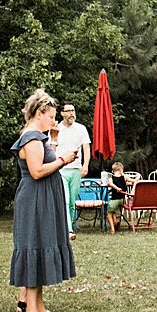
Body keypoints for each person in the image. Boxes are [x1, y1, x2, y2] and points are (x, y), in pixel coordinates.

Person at [10, 89, 78, 312]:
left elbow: (45, 161)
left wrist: (55, 141)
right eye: (51, 116)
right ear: (40, 113)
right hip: (34, 200)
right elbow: (37, 171)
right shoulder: (31, 138)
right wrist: (63, 160)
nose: (53, 121)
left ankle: (39, 308)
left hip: (43, 198)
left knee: (40, 247)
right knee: (33, 249)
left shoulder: (39, 137)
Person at [53, 102, 90, 239]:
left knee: (72, 201)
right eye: (68, 111)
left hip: (76, 169)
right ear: (62, 113)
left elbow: (86, 148)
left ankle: (70, 225)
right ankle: (68, 231)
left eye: (73, 110)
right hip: (61, 169)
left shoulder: (81, 129)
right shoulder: (57, 129)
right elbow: (52, 147)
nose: (71, 113)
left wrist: (85, 165)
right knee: (65, 199)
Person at [101, 158, 129, 234]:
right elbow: (132, 180)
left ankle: (112, 229)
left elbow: (110, 184)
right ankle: (115, 223)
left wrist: (117, 188)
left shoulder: (111, 178)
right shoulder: (124, 177)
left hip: (114, 200)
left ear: (113, 171)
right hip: (123, 200)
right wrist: (137, 177)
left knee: (109, 214)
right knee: (113, 211)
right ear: (120, 170)